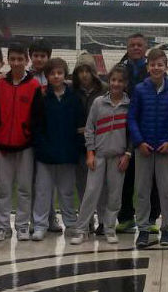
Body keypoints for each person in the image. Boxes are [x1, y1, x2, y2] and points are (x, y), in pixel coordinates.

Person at [128, 48, 168, 249]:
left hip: (165, 149)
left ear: (166, 67)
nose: (156, 68)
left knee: (167, 191)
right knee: (142, 190)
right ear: (147, 66)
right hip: (143, 148)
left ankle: (167, 229)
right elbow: (132, 118)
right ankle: (143, 229)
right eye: (152, 64)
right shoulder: (140, 89)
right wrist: (139, 141)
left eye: (160, 64)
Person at [71, 66, 132, 246]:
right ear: (109, 81)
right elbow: (89, 129)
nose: (116, 84)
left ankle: (109, 228)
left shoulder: (129, 105)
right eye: (113, 80)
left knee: (114, 195)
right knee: (91, 193)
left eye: (120, 81)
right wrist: (90, 153)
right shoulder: (98, 102)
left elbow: (133, 133)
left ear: (125, 83)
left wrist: (127, 154)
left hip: (118, 157)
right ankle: (81, 229)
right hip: (98, 156)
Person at [0, 42, 43, 241]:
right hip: (3, 145)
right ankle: (2, 226)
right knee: (3, 188)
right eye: (12, 59)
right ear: (7, 60)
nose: (16, 63)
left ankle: (22, 225)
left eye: (20, 59)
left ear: (26, 60)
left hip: (25, 146)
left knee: (24, 188)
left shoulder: (33, 86)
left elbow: (38, 117)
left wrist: (28, 134)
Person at [32, 58, 83, 240]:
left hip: (67, 153)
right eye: (52, 73)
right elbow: (36, 127)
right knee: (43, 191)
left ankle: (70, 223)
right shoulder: (42, 98)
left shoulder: (74, 99)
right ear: (47, 76)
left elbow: (79, 127)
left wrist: (76, 148)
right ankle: (40, 225)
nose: (56, 76)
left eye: (59, 73)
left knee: (67, 191)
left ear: (65, 75)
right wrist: (42, 147)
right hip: (46, 154)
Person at [115, 33, 154, 233]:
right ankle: (126, 217)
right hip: (124, 126)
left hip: (149, 126)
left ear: (145, 47)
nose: (136, 48)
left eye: (139, 44)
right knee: (126, 175)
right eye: (132, 45)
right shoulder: (121, 68)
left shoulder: (153, 68)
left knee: (150, 178)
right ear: (127, 47)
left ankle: (151, 218)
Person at [72, 52, 107, 228]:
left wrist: (92, 129)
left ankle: (103, 220)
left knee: (100, 186)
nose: (84, 75)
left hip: (100, 145)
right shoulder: (72, 91)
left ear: (93, 72)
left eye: (87, 70)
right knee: (82, 184)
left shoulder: (105, 90)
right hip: (79, 145)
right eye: (81, 71)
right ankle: (86, 219)